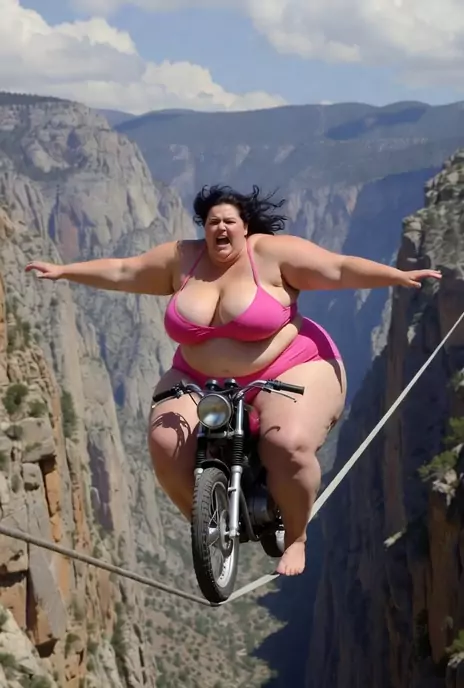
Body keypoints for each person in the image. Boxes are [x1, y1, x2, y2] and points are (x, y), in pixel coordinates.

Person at [25, 185, 441, 577]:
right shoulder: (181, 259)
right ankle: (209, 524)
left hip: (289, 366)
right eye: (212, 222)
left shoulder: (273, 254)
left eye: (229, 221)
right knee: (165, 445)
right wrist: (64, 271)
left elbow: (337, 268)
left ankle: (296, 537)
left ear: (245, 227)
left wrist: (396, 276)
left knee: (287, 446)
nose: (220, 228)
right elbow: (124, 270)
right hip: (196, 376)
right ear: (203, 228)